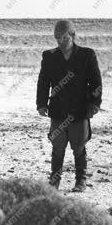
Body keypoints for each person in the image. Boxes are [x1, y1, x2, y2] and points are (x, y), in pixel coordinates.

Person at [36, 19, 102, 192]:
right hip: (58, 109)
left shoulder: (87, 55)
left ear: (73, 35)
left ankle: (81, 181)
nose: (60, 41)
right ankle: (54, 182)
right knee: (57, 147)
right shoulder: (49, 56)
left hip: (80, 109)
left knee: (79, 146)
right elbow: (43, 82)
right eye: (57, 38)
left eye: (64, 37)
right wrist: (41, 104)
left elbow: (96, 81)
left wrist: (95, 103)